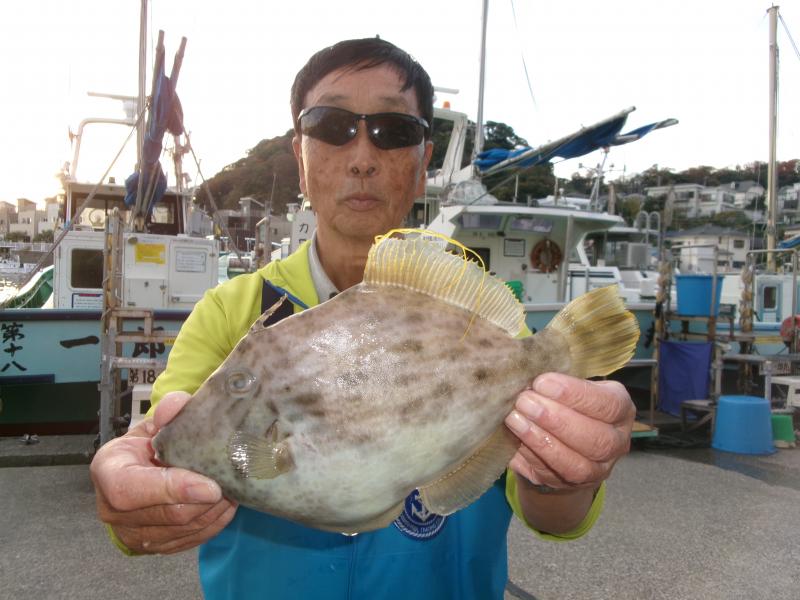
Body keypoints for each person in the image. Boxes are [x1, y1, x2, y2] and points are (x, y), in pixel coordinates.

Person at [90, 37, 635, 599]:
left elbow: (552, 513)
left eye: (394, 132)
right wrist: (137, 499)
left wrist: (568, 472)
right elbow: (165, 463)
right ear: (300, 158)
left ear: (423, 165)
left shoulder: (481, 331)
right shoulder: (229, 313)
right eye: (331, 125)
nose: (362, 157)